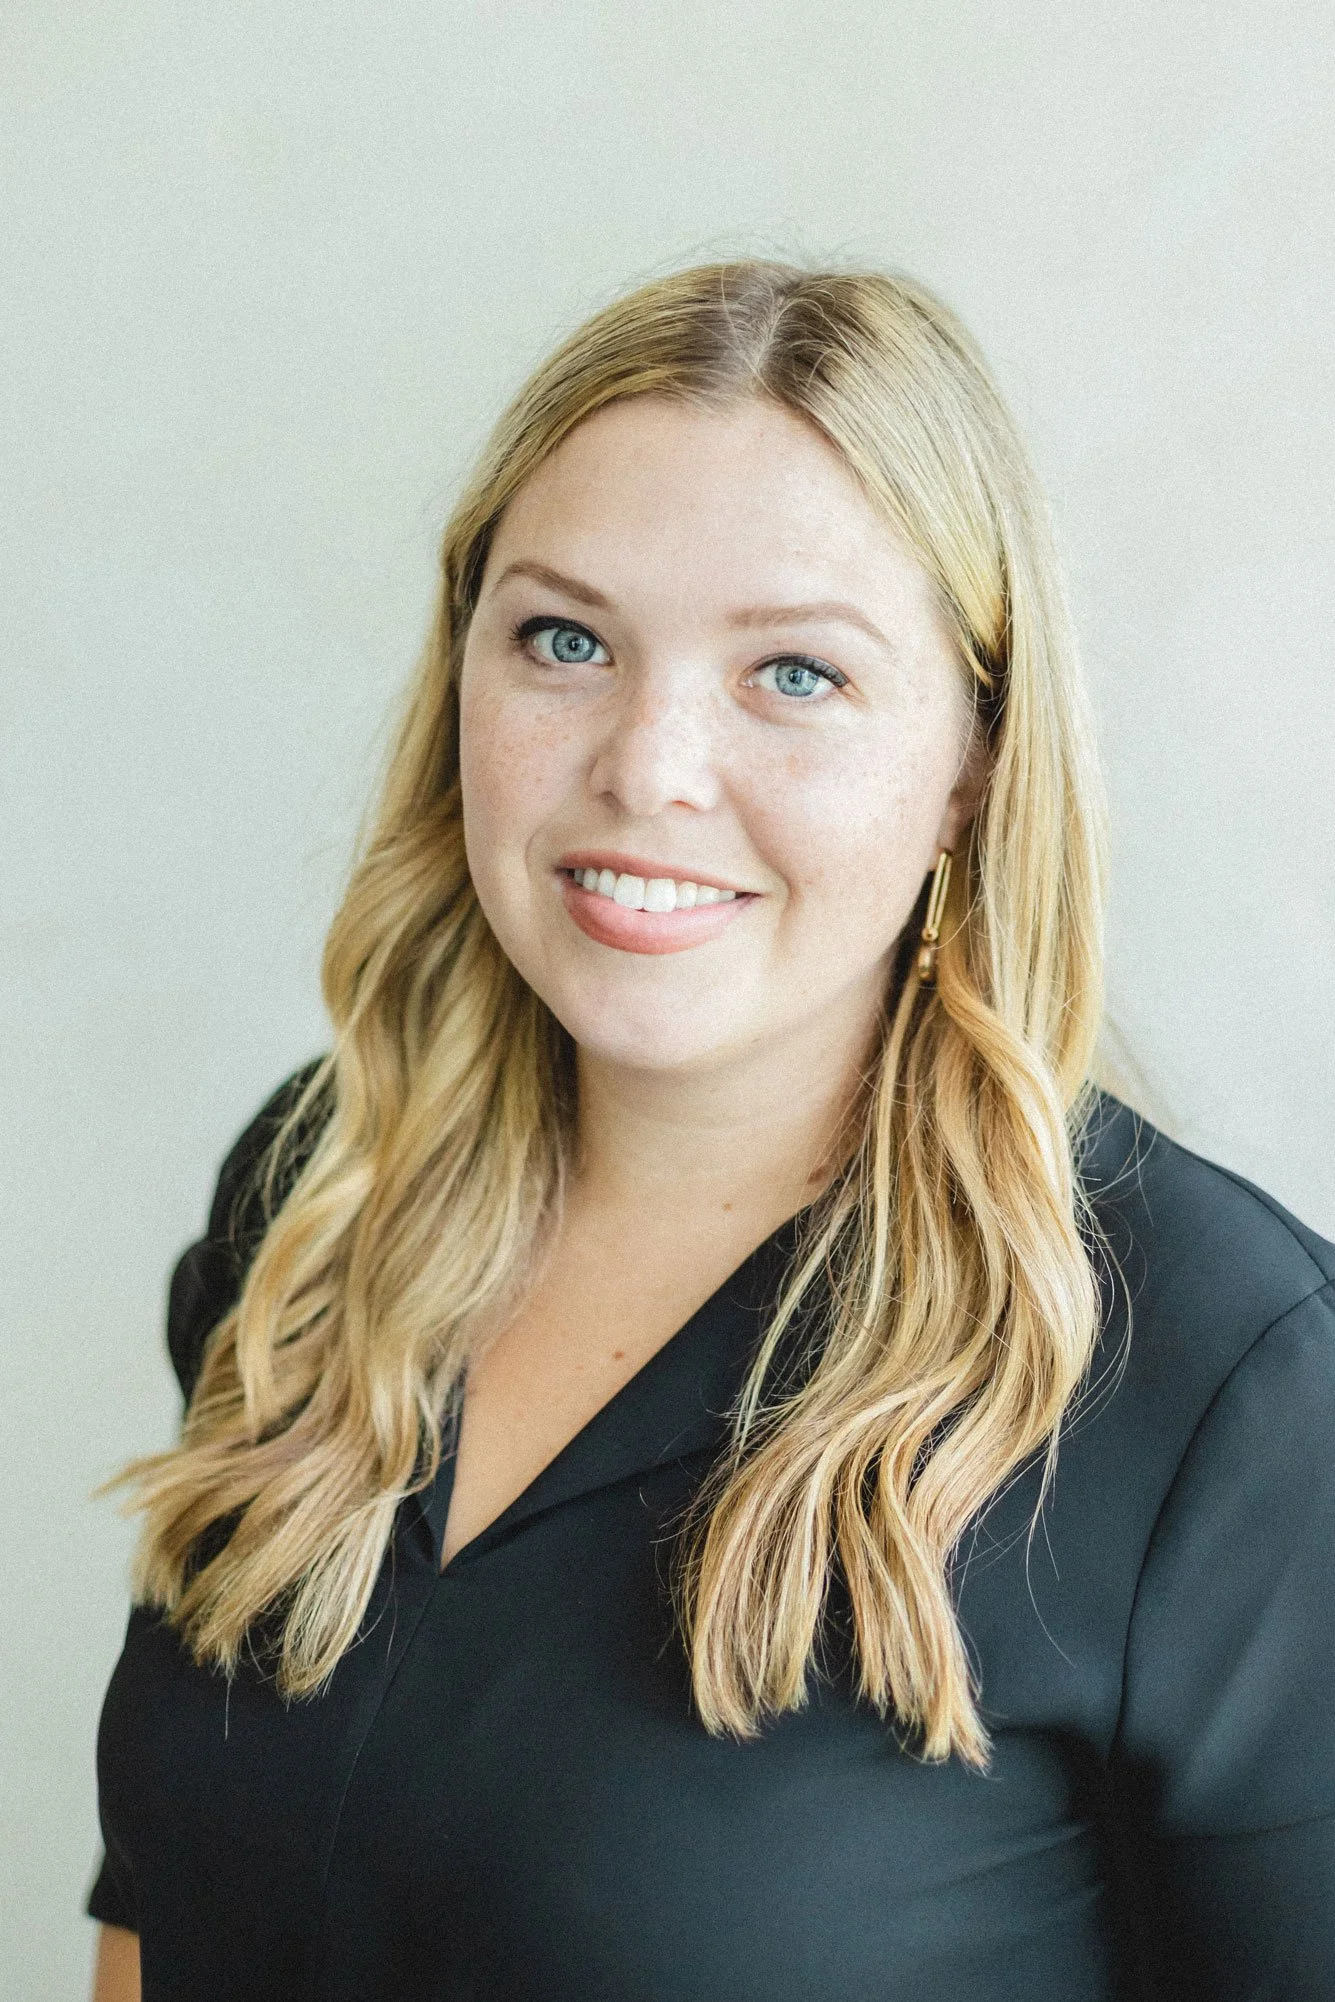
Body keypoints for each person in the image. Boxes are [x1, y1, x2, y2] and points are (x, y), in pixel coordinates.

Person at [87, 261, 1335, 2002]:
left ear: (971, 760)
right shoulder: (318, 1197)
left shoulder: (1227, 1387)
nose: (647, 764)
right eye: (565, 640)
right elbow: (158, 1914)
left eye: (794, 673)